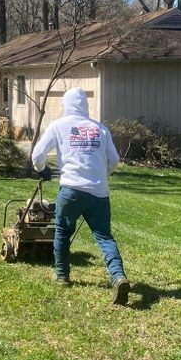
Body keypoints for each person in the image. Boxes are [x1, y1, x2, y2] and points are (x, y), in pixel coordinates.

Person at [31, 88, 130, 305]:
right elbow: (114, 160)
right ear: (86, 105)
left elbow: (37, 155)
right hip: (99, 193)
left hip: (71, 191)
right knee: (104, 237)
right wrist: (100, 175)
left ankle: (62, 276)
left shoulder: (58, 126)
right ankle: (118, 276)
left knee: (63, 232)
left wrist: (42, 170)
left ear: (65, 105)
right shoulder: (101, 129)